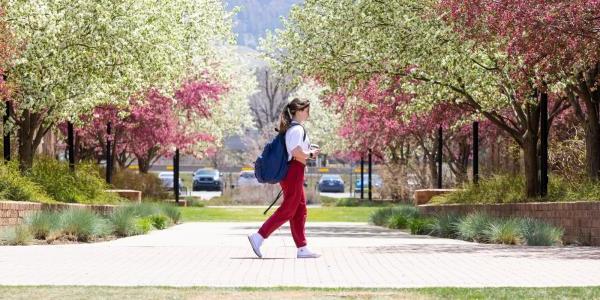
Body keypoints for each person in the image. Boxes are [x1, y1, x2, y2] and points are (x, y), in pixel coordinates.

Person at [248, 98, 321, 259]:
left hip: (295, 170)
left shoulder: (293, 129)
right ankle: (259, 237)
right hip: (293, 171)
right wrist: (310, 154)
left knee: (299, 210)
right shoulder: (297, 130)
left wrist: (307, 152)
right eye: (307, 110)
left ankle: (302, 248)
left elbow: (295, 150)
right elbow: (295, 152)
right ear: (299, 111)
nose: (308, 114)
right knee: (289, 209)